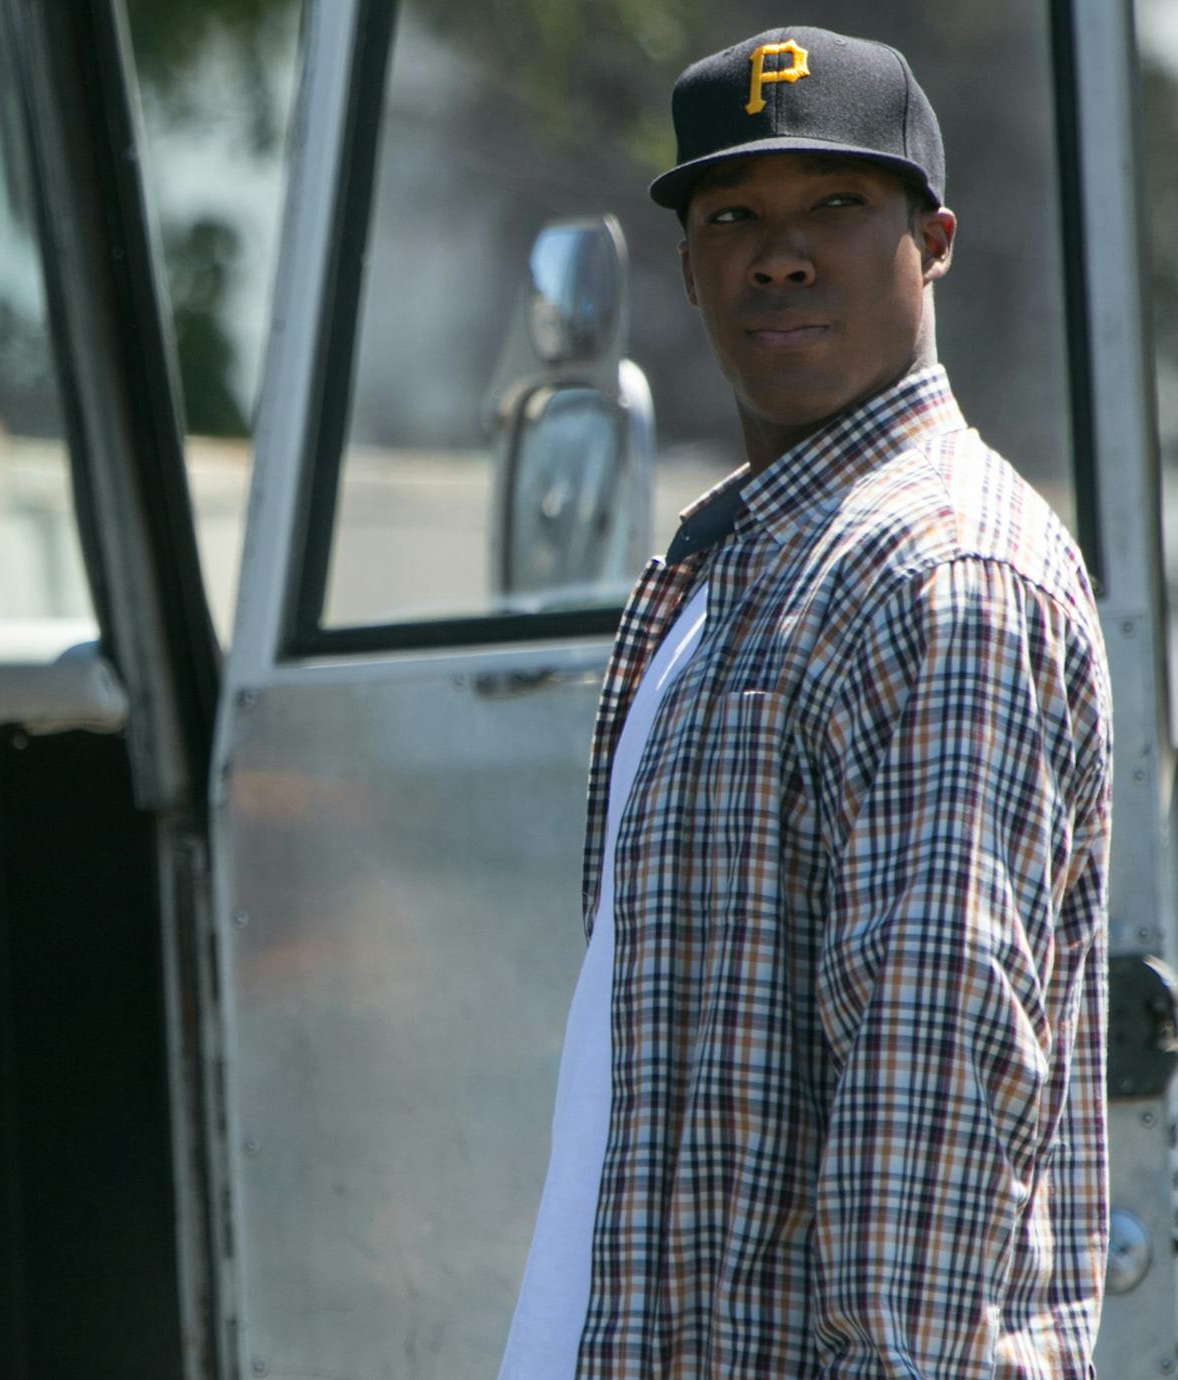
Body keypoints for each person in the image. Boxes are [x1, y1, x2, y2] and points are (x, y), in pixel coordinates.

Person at [498, 28, 1110, 1378]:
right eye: (736, 216)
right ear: (690, 265)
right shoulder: (740, 561)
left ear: (933, 239)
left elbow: (933, 1099)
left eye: (838, 204)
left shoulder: (939, 574)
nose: (781, 253)